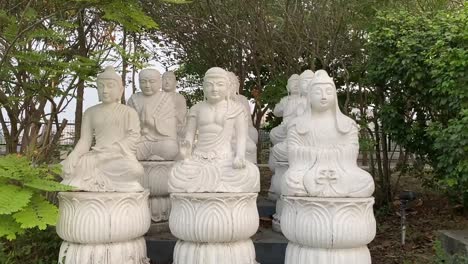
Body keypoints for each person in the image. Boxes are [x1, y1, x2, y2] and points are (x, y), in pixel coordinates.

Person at [282, 70, 374, 197]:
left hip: (341, 171)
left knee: (366, 182)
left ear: (334, 96)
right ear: (309, 96)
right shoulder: (297, 124)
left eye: (328, 92)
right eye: (318, 92)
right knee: (289, 181)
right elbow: (293, 151)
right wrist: (321, 154)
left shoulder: (347, 124)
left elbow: (352, 150)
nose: (323, 96)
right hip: (306, 170)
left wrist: (324, 155)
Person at [169, 67, 259, 193]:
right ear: (204, 87)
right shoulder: (196, 108)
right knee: (175, 174)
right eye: (209, 85)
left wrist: (239, 156)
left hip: (225, 159)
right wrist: (186, 154)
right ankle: (211, 183)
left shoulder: (236, 109)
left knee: (251, 174)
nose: (214, 89)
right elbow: (189, 137)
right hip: (199, 159)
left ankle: (208, 183)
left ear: (227, 87)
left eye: (220, 85)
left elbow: (242, 137)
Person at [61, 66, 144, 192]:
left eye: (110, 86)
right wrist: (74, 155)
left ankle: (86, 179)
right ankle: (86, 179)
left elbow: (134, 137)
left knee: (135, 170)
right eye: (101, 86)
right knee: (65, 167)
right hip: (95, 156)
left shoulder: (128, 112)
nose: (105, 90)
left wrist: (110, 152)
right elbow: (85, 140)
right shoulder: (90, 112)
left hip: (117, 157)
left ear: (120, 90)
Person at [128, 69, 179, 160]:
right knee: (127, 149)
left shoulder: (166, 98)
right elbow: (128, 125)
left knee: (171, 147)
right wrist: (140, 126)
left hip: (161, 140)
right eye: (143, 82)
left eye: (152, 82)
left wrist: (151, 122)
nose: (147, 85)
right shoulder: (134, 99)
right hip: (141, 140)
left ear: (159, 83)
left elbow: (171, 125)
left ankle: (158, 156)